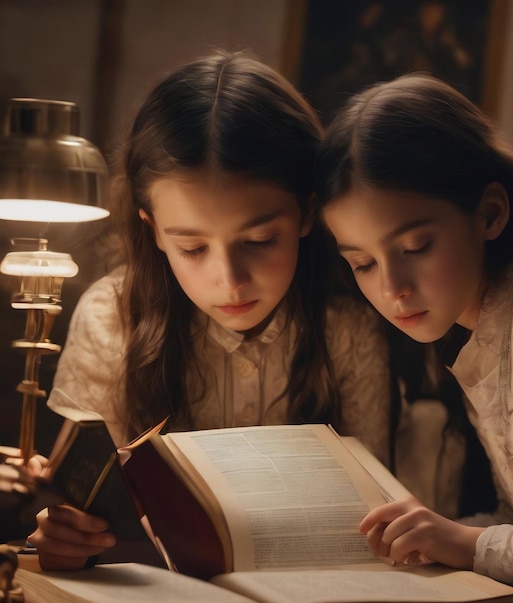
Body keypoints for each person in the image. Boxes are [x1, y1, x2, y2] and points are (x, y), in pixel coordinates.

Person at [28, 50, 391, 570]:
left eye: (262, 239)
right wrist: (61, 528)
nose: (230, 279)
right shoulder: (112, 316)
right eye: (193, 249)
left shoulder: (346, 328)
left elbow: (376, 512)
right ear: (153, 230)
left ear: (307, 213)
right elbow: (74, 502)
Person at [316, 72, 513, 598]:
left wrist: (460, 540)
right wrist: (432, 531)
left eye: (415, 248)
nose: (393, 288)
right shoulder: (471, 325)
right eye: (363, 263)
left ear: (489, 213)